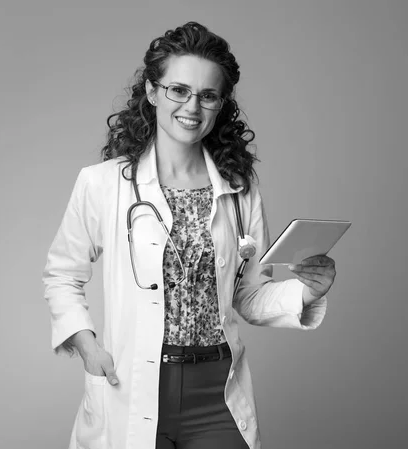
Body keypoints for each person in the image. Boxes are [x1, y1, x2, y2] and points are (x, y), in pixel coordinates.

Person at [42, 21, 336, 449]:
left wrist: (308, 293)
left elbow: (249, 295)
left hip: (215, 391)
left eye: (207, 95)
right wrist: (88, 348)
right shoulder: (103, 183)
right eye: (179, 90)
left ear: (221, 105)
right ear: (152, 92)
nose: (191, 107)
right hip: (134, 383)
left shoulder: (239, 189)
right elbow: (61, 275)